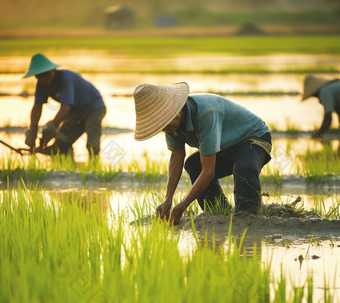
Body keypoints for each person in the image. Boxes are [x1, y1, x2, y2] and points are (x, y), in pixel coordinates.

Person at [133, 82, 272, 225]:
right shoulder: (170, 126)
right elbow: (177, 157)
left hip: (254, 138)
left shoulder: (205, 114)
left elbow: (209, 171)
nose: (165, 128)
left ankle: (250, 219)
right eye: (161, 126)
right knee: (193, 164)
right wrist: (168, 200)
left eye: (167, 123)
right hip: (225, 147)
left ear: (177, 108)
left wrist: (181, 206)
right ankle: (219, 214)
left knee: (243, 166)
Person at [23, 53, 106, 156]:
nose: (44, 79)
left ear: (53, 71)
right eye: (39, 76)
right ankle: (68, 168)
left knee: (92, 144)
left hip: (94, 107)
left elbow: (65, 107)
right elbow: (37, 107)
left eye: (46, 74)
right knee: (61, 144)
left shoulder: (65, 78)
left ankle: (94, 167)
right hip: (75, 112)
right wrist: (32, 130)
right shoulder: (41, 85)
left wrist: (53, 125)